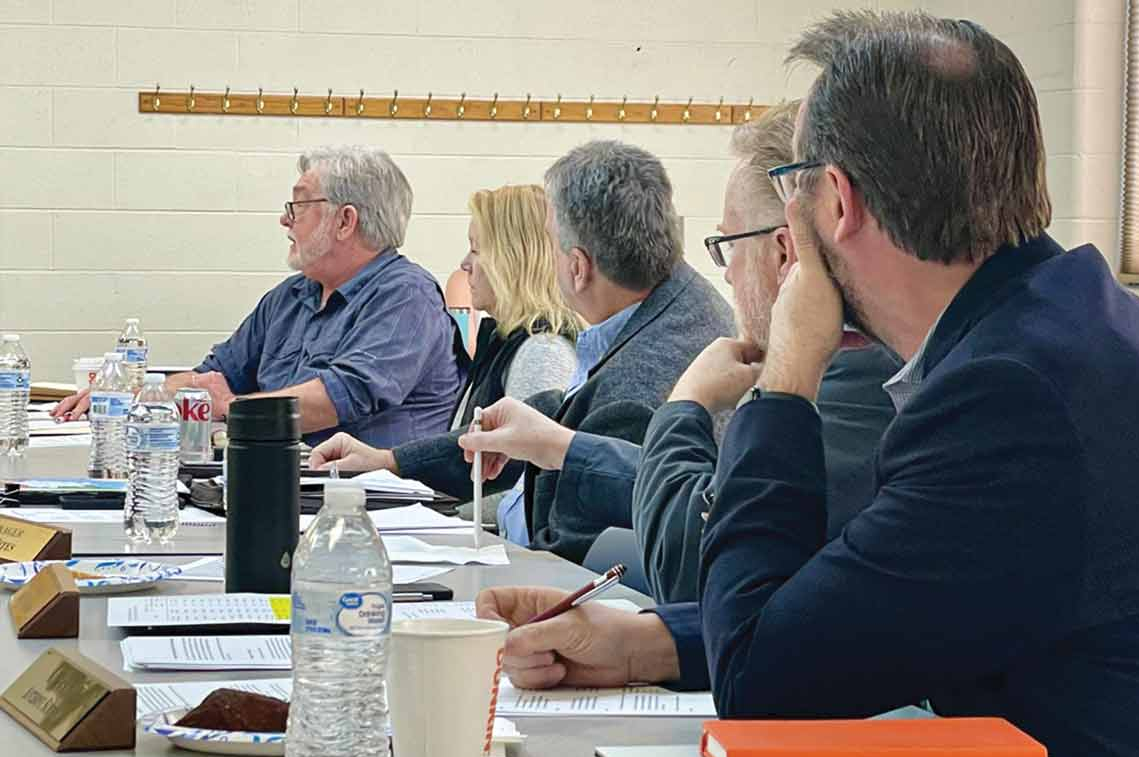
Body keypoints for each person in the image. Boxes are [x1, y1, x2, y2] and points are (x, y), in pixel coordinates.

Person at [473, 11, 1139, 757]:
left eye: (795, 191)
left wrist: (787, 372)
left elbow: (764, 682)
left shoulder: (1011, 394)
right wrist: (645, 641)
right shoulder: (1067, 326)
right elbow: (862, 602)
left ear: (837, 204)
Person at [459, 103, 898, 602]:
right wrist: (559, 446)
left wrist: (684, 404)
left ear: (784, 252)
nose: (728, 273)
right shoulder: (843, 369)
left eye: (729, 245)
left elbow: (701, 560)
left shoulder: (850, 383)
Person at [320, 141, 734, 562]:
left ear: (577, 267)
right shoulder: (662, 311)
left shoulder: (639, 378)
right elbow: (553, 416)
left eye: (550, 244)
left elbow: (569, 553)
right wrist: (393, 461)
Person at [53, 145, 466, 448]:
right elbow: (214, 376)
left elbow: (338, 398)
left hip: (375, 508)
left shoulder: (406, 297)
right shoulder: (290, 297)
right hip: (285, 485)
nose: (285, 219)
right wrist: (134, 396)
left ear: (345, 221)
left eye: (299, 205)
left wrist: (232, 408)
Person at [310, 184, 582, 494]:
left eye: (476, 249)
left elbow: (517, 487)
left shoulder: (542, 352)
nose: (465, 263)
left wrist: (389, 465)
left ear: (513, 258)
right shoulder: (504, 345)